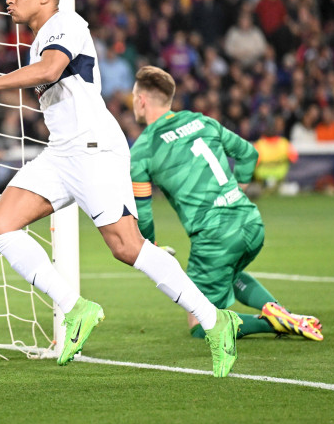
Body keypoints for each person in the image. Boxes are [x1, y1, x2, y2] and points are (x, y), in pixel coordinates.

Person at [0, 0, 241, 377]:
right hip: (62, 152)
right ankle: (76, 307)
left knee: (126, 247)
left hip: (94, 149)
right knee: (2, 225)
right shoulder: (38, 42)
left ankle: (214, 320)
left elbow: (51, 71)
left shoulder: (66, 23)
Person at [129, 66, 322, 342]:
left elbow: (143, 213)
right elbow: (249, 154)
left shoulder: (143, 150)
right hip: (250, 222)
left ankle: (273, 323)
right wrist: (236, 192)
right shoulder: (201, 121)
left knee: (200, 323)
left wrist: (151, 246)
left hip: (215, 238)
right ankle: (284, 313)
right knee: (229, 272)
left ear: (142, 100)